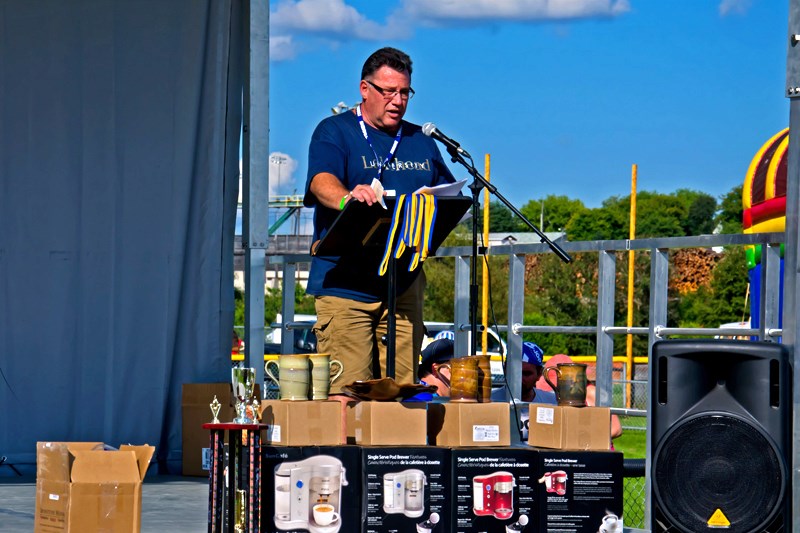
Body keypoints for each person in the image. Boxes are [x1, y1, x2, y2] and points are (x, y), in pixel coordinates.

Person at [303, 47, 458, 406]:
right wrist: (347, 199)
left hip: (403, 286)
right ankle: (341, 462)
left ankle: (398, 460)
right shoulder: (335, 131)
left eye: (404, 92)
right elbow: (320, 182)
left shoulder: (421, 141)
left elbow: (446, 194)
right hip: (346, 285)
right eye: (388, 91)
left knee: (402, 393)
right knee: (348, 393)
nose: (398, 101)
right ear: (364, 89)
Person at [536, 353, 623, 439]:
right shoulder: (548, 396)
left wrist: (586, 441)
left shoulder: (592, 392)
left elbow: (616, 428)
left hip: (594, 449)